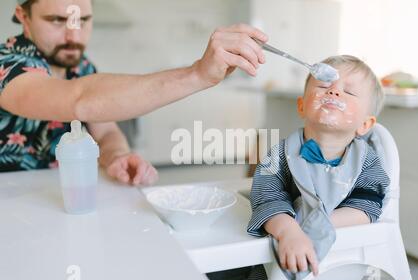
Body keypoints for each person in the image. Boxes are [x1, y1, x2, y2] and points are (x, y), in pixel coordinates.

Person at [0, 0, 268, 184]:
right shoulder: (7, 65)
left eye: (83, 20)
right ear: (24, 18)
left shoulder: (80, 65)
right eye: (58, 20)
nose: (74, 36)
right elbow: (80, 99)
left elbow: (104, 131)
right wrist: (197, 74)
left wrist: (116, 155)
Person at [237, 55, 390, 280]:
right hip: (282, 248)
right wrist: (289, 231)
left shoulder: (367, 161)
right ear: (301, 106)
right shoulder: (279, 155)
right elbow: (266, 198)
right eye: (323, 86)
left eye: (348, 92)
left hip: (344, 252)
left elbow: (367, 206)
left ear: (364, 124)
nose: (334, 92)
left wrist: (313, 225)